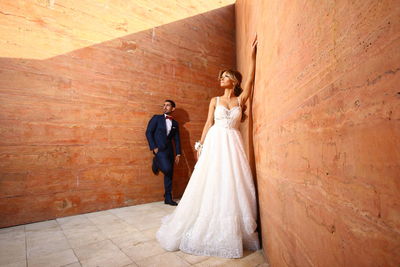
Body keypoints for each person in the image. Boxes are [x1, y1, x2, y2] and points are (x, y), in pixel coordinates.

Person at [156, 36, 259, 258]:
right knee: (212, 179)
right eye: (221, 77)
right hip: (215, 142)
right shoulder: (214, 100)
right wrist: (200, 144)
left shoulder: (241, 101)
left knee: (232, 181)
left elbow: (251, 80)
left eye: (225, 77)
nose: (221, 79)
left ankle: (231, 226)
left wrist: (252, 56)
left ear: (234, 80)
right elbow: (208, 123)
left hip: (233, 144)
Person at [145, 100, 181, 206]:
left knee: (169, 174)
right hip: (159, 150)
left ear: (173, 108)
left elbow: (177, 139)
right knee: (167, 169)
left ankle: (168, 197)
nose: (165, 107)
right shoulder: (156, 118)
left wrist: (178, 153)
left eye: (168, 105)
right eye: (164, 105)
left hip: (170, 151)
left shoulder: (175, 123)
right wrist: (153, 147)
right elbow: (148, 132)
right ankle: (156, 160)